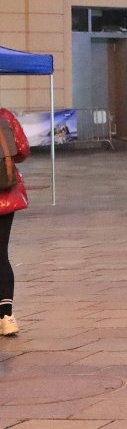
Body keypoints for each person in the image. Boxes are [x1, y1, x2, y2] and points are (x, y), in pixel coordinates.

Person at [0, 103, 29, 336]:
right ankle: (6, 316)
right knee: (1, 254)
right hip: (4, 193)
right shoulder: (5, 116)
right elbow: (22, 150)